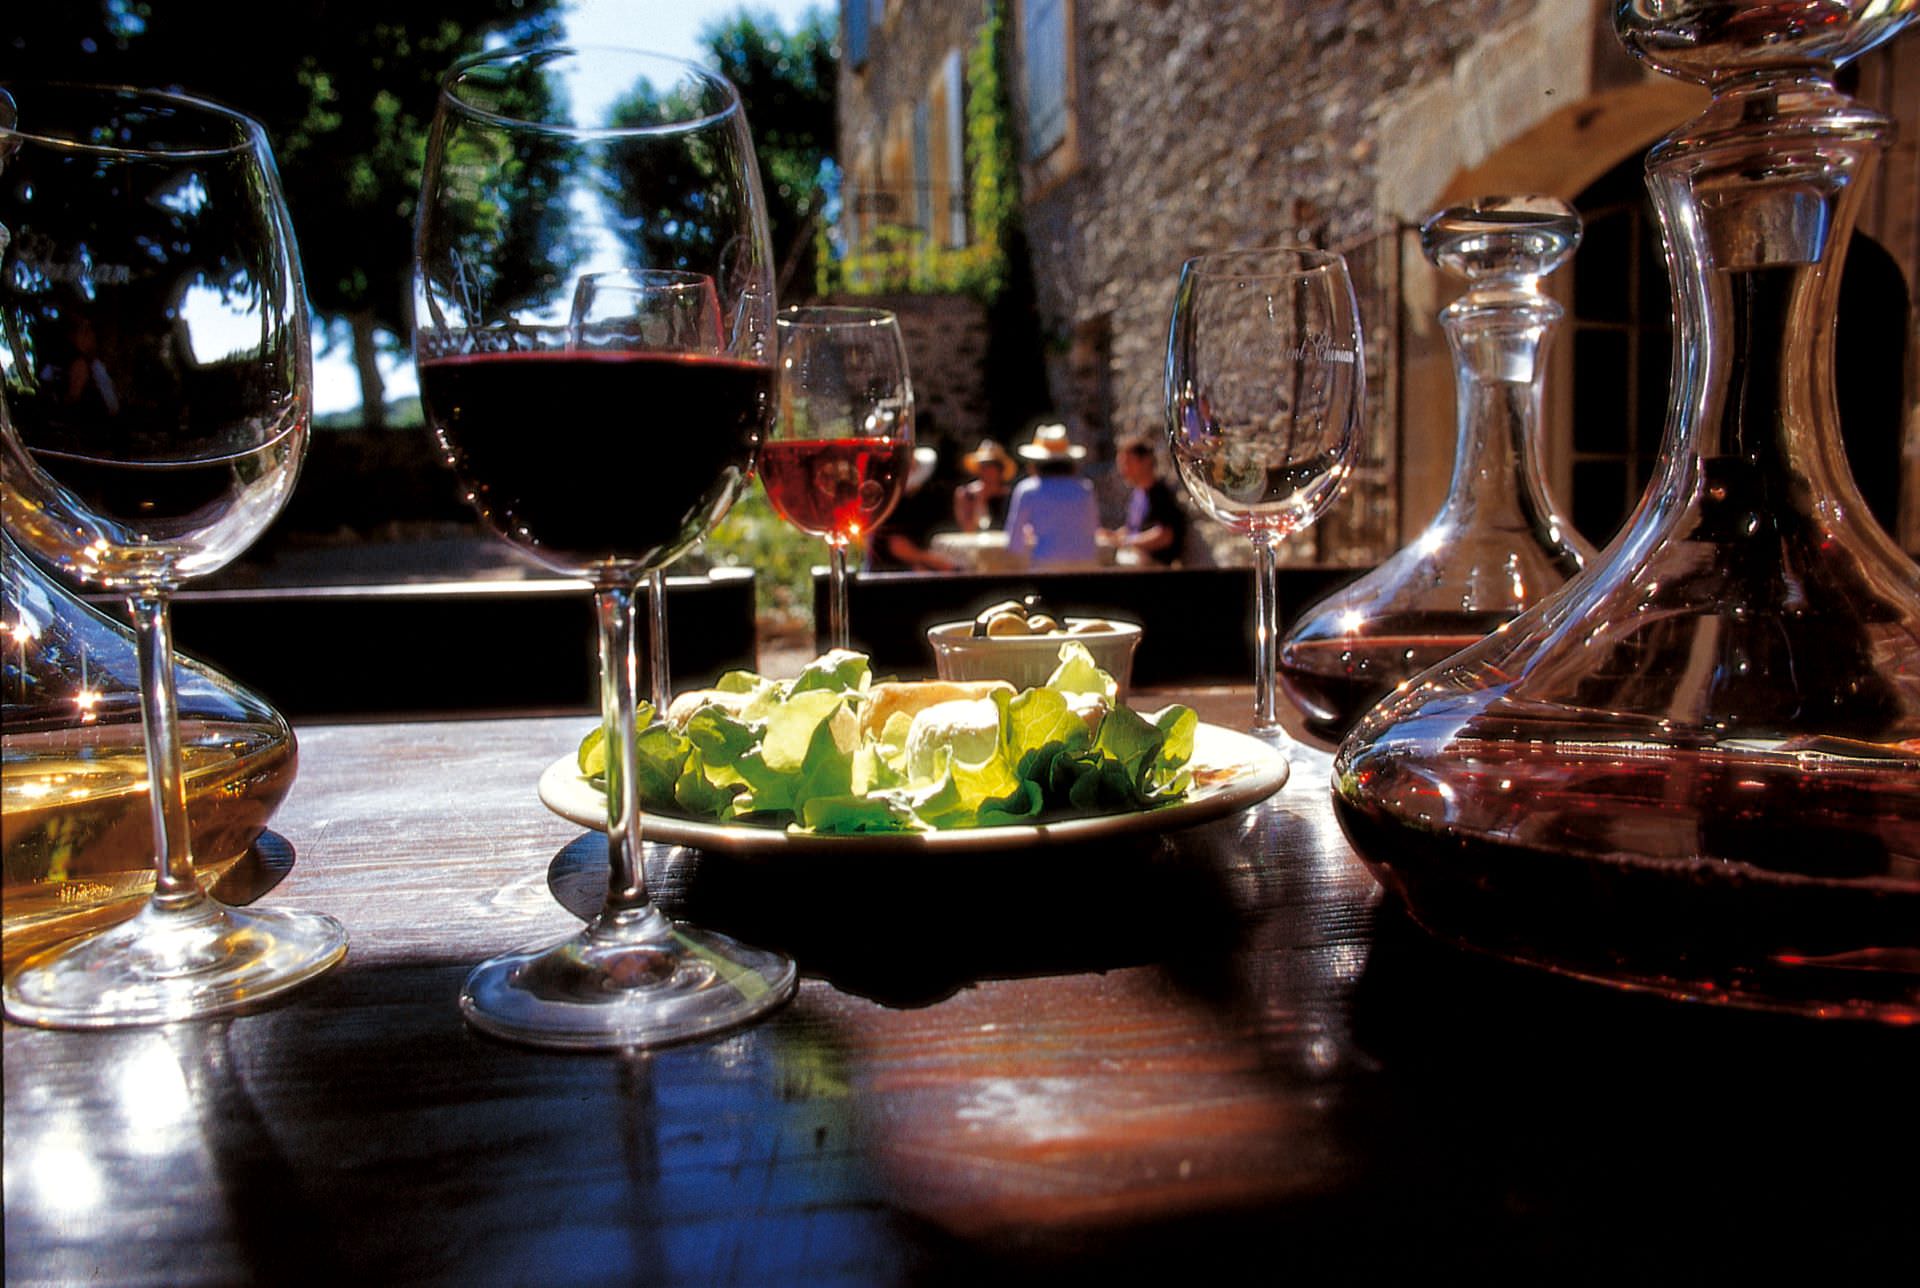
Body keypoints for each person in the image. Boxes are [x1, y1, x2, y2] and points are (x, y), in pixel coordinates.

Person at [1004, 422, 1100, 568]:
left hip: (1047, 564)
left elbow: (1014, 540)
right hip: (1086, 564)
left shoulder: (1027, 490)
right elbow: (1092, 528)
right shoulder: (1085, 489)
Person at [868, 446, 961, 571]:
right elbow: (896, 546)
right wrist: (930, 560)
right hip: (891, 572)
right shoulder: (890, 501)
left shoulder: (928, 496)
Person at [1099, 434, 1187, 565]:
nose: (1123, 470)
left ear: (1146, 461)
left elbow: (1165, 536)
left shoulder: (1160, 494)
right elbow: (1134, 529)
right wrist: (1113, 535)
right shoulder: (1138, 494)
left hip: (1153, 565)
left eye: (1127, 463)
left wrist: (1126, 542)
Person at [952, 438, 1015, 532]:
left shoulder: (1011, 496)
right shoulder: (966, 494)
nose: (986, 470)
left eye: (991, 464)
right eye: (982, 465)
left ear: (1000, 469)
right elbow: (968, 529)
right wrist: (980, 500)